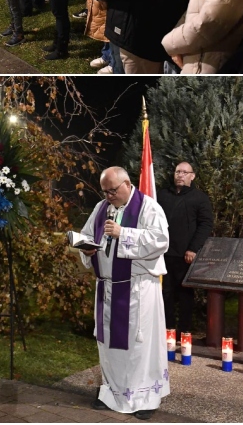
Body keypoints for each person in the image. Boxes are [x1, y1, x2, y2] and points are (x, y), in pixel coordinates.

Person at [79, 166, 170, 419]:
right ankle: (112, 394)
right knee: (108, 345)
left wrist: (124, 234)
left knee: (138, 346)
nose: (108, 196)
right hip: (107, 288)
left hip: (138, 289)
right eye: (105, 191)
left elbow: (160, 240)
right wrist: (86, 249)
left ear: (127, 184)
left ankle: (145, 398)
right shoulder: (100, 209)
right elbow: (87, 235)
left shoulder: (149, 208)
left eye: (112, 190)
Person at [155, 162, 213, 337]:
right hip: (162, 254)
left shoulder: (200, 198)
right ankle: (167, 329)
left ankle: (184, 331)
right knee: (165, 294)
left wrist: (193, 248)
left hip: (185, 256)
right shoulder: (162, 195)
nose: (180, 175)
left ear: (192, 176)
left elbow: (205, 224)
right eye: (177, 171)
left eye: (184, 172)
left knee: (185, 295)